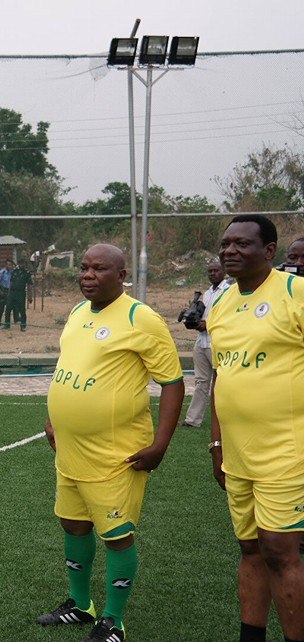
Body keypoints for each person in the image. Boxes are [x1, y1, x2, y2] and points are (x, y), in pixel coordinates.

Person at [39, 244, 184, 642]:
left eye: (98, 269)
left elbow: (172, 382)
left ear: (121, 275)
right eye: (83, 267)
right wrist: (54, 418)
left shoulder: (142, 318)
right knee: (72, 522)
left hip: (116, 453)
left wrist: (161, 444)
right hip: (69, 448)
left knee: (116, 534)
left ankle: (113, 621)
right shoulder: (77, 312)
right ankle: (80, 605)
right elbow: (68, 367)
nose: (87, 274)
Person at [207, 215, 304, 642]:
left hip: (288, 449)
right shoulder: (221, 303)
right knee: (249, 548)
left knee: (281, 552)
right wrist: (217, 443)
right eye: (225, 244)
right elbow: (219, 377)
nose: (230, 251)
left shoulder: (295, 293)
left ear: (269, 251)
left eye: (242, 244)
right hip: (238, 452)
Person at [179, 260, 229, 428]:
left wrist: (207, 324)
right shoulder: (207, 294)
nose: (213, 273)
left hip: (217, 342)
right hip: (201, 341)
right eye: (210, 271)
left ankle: (225, 418)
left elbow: (227, 315)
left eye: (216, 270)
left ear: (224, 271)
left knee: (222, 383)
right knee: (201, 381)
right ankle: (193, 420)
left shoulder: (229, 291)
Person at [8, 260, 34, 331]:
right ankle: (7, 324)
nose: (22, 265)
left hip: (21, 293)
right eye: (20, 263)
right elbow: (11, 283)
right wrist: (9, 293)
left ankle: (23, 325)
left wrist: (30, 297)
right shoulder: (14, 272)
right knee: (9, 307)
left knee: (22, 310)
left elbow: (29, 285)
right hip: (13, 292)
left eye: (23, 263)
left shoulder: (27, 273)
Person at [0, 259, 14, 329]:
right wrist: (0, 291)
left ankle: (7, 324)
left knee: (8, 308)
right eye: (8, 265)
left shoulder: (12, 272)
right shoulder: (2, 272)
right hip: (2, 290)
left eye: (11, 265)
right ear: (5, 265)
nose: (10, 266)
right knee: (1, 307)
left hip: (9, 291)